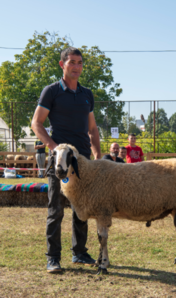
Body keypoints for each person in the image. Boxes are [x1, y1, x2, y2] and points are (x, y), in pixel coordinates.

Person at [31, 47, 101, 273]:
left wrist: (98, 154)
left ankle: (79, 252)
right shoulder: (51, 91)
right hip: (59, 162)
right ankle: (53, 258)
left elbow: (92, 128)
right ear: (62, 65)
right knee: (56, 209)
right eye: (71, 62)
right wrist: (54, 148)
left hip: (82, 161)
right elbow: (37, 123)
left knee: (81, 208)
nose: (76, 66)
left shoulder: (87, 94)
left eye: (79, 63)